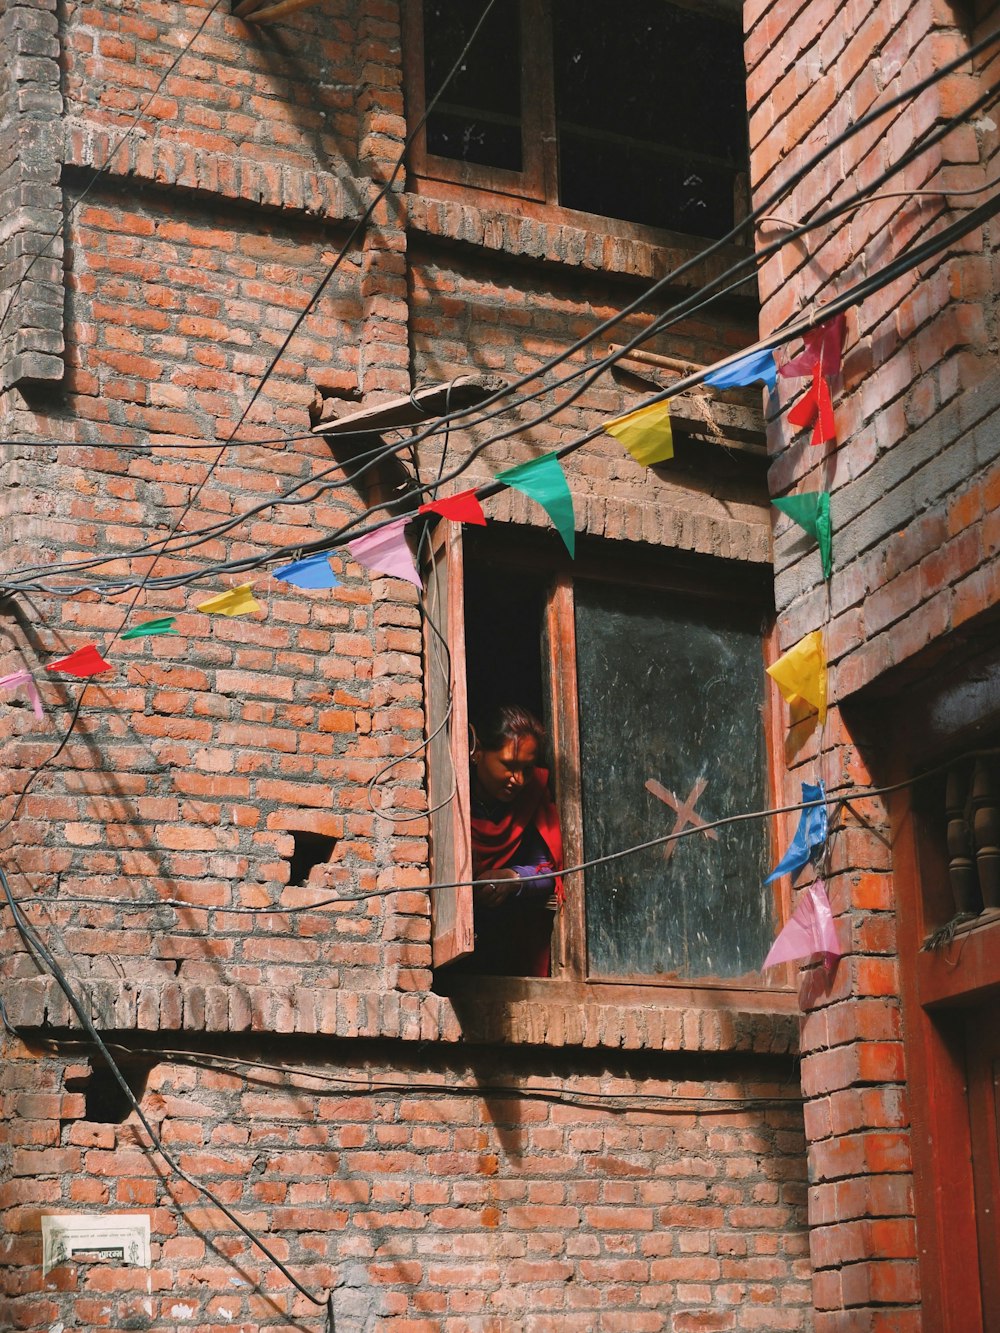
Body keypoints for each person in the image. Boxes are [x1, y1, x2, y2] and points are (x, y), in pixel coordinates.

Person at [468, 703, 564, 977]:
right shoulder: (450, 797)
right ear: (477, 753)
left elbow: (550, 869)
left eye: (527, 768)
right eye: (509, 766)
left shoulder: (532, 795)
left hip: (510, 936)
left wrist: (512, 877)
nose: (519, 779)